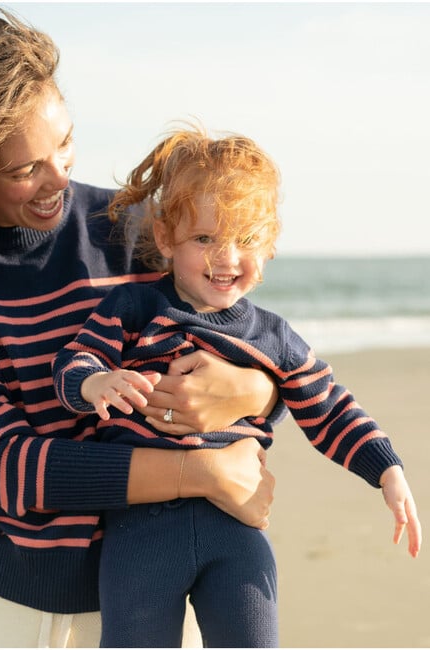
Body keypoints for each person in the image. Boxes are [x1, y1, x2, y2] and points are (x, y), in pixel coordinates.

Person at [0, 6, 281, 648]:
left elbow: (258, 344)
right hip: (1, 606)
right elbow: (7, 465)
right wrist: (205, 475)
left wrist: (253, 394)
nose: (60, 180)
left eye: (65, 143)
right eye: (24, 170)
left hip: (158, 591)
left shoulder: (137, 230)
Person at [52, 126, 423, 648]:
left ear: (269, 245)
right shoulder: (132, 309)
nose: (226, 258)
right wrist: (95, 382)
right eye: (205, 239)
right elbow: (76, 359)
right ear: (166, 238)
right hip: (141, 532)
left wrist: (385, 467)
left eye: (246, 240)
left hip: (238, 526)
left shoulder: (273, 337)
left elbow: (329, 407)